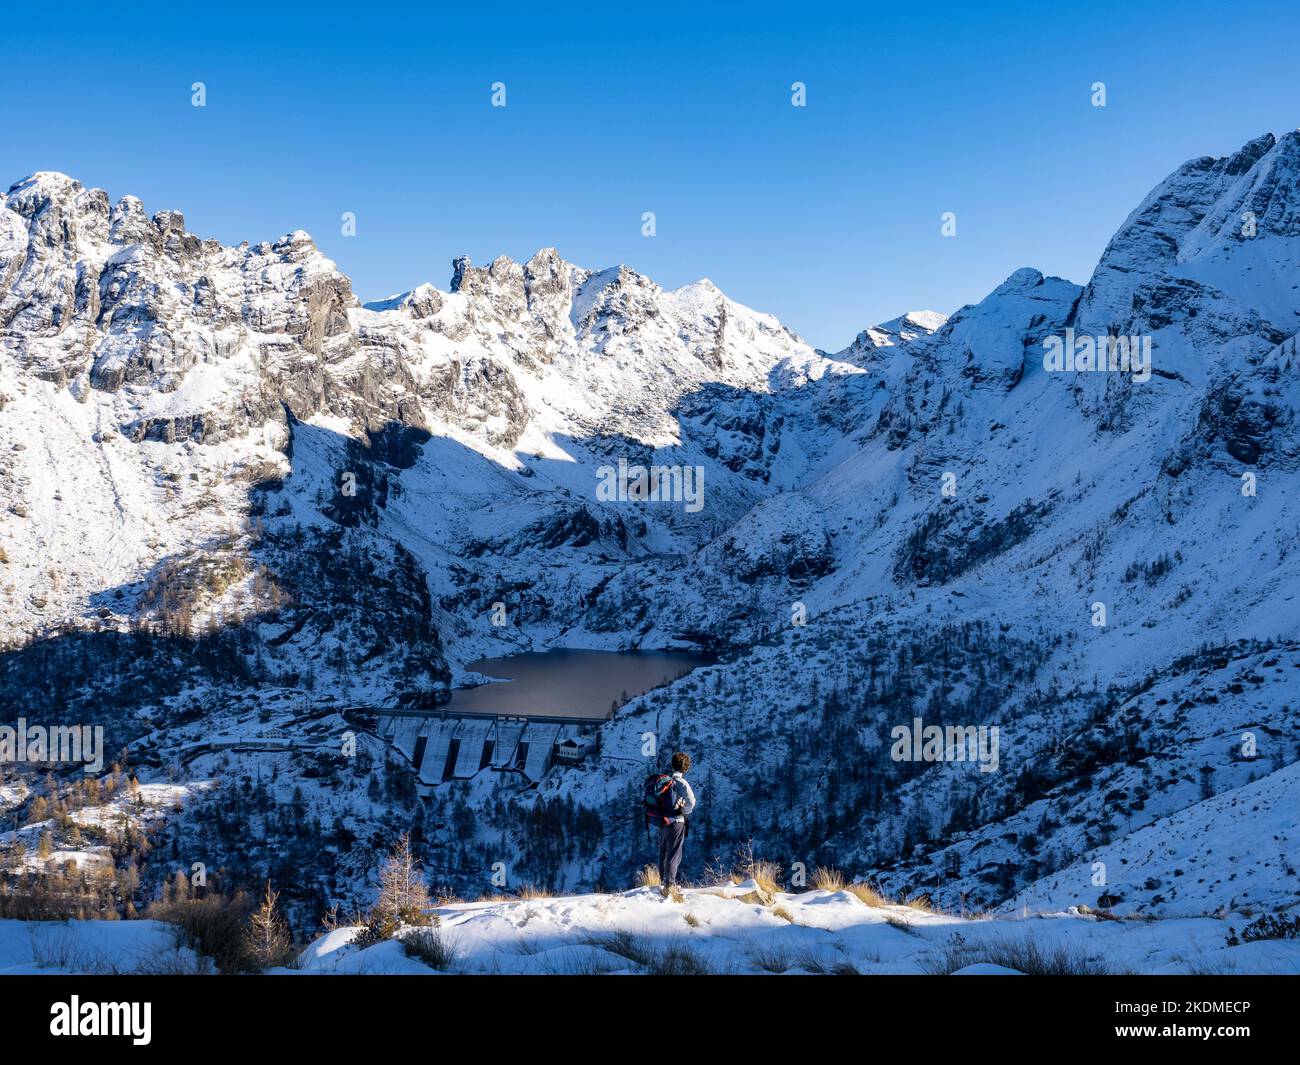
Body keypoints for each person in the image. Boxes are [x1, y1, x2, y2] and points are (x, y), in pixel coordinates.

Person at [658, 751, 696, 896]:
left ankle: (663, 882)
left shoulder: (664, 781)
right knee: (674, 854)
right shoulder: (682, 783)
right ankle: (670, 885)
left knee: (663, 852)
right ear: (685, 768)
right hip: (676, 822)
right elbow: (692, 802)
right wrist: (683, 811)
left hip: (663, 822)